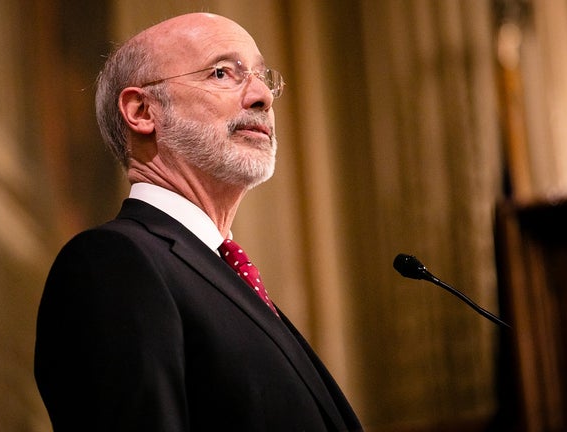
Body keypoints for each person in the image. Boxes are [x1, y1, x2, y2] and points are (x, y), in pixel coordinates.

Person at [34, 12, 362, 431]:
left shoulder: (223, 275)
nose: (262, 96)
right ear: (141, 111)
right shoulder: (113, 263)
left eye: (263, 77)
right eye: (223, 73)